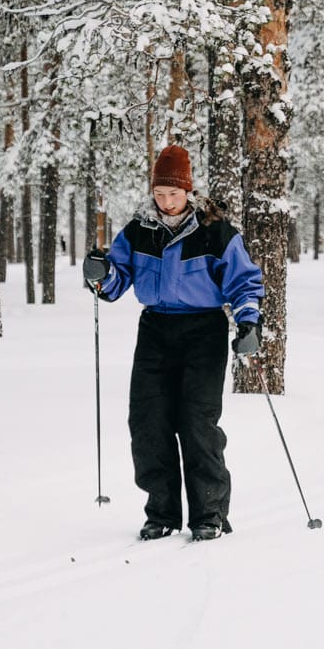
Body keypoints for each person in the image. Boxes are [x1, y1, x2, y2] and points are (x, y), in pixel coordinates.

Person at [83, 144, 263, 542]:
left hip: (204, 330)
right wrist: (100, 273)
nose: (166, 202)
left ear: (188, 190)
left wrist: (249, 323)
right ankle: (161, 513)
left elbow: (245, 282)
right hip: (155, 330)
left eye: (174, 193)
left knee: (197, 423)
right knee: (148, 423)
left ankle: (209, 514)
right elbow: (115, 282)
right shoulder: (138, 229)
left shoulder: (215, 231)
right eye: (160, 194)